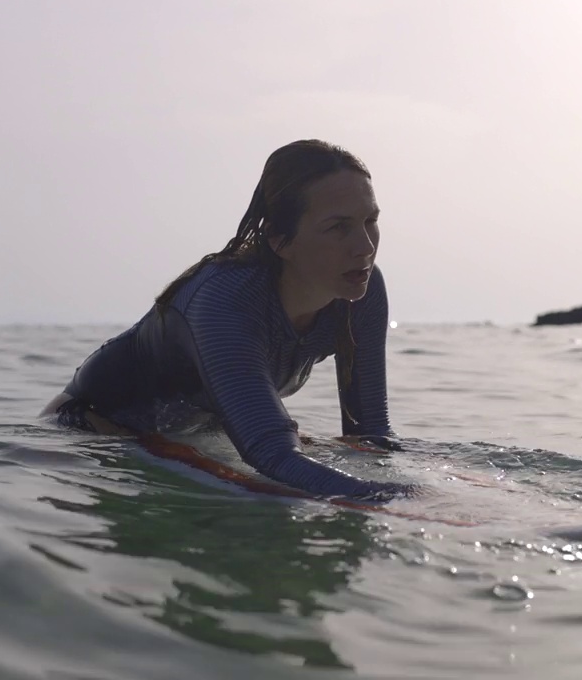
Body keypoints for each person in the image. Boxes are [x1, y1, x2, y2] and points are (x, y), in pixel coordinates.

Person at [41, 140, 416, 500]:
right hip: (92, 432)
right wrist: (414, 504)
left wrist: (424, 485)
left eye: (371, 221)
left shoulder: (359, 291)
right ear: (279, 240)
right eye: (338, 227)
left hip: (198, 434)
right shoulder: (225, 300)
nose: (365, 247)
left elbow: (370, 437)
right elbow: (272, 455)